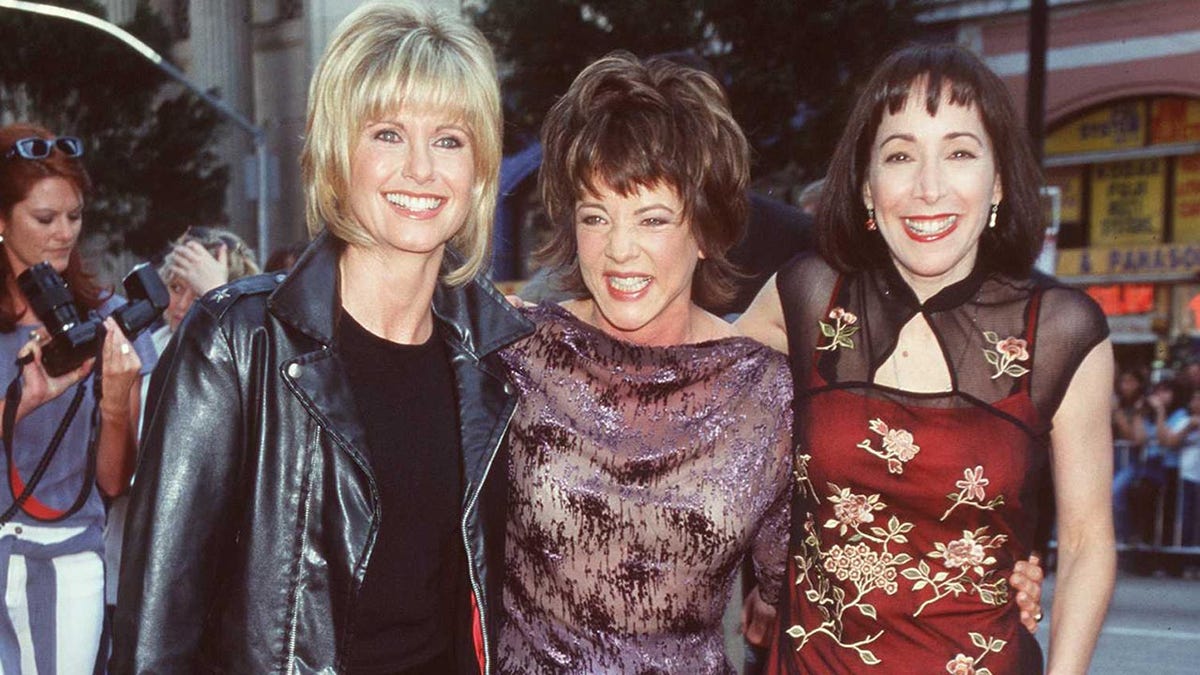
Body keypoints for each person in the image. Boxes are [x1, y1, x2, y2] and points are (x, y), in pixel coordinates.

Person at [112, 3, 530, 673]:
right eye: (388, 134)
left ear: (479, 169)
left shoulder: (493, 363)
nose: (421, 168)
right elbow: (154, 636)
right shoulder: (234, 345)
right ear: (339, 157)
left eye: (450, 138)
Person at [736, 44, 1114, 673]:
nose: (929, 186)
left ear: (998, 181)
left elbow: (1085, 541)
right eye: (901, 155)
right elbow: (701, 383)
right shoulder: (806, 294)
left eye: (960, 153)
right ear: (865, 184)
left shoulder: (1061, 331)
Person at [496, 52, 793, 674]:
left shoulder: (764, 393)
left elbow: (806, 578)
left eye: (652, 218)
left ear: (707, 230)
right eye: (596, 216)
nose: (620, 250)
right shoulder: (516, 353)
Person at [0, 124, 149, 672]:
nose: (64, 233)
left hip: (66, 557)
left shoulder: (109, 320)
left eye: (75, 216)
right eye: (45, 219)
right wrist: (23, 402)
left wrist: (116, 403)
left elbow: (114, 481)